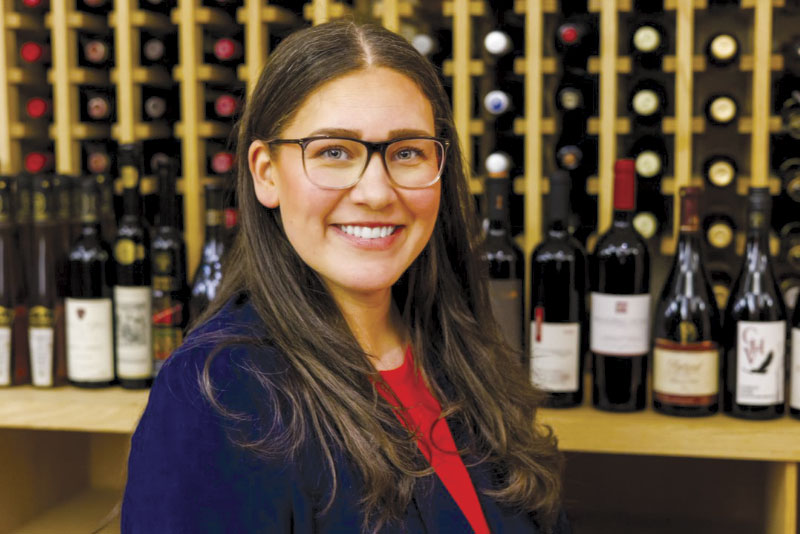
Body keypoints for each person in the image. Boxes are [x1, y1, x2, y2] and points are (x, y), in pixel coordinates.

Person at [122, 20, 569, 534]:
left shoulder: (460, 350)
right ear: (266, 172)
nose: (376, 192)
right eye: (334, 152)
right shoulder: (217, 393)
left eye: (407, 152)